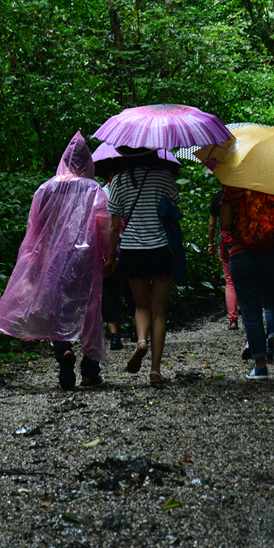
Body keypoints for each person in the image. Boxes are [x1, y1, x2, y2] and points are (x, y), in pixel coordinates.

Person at [0, 131, 110, 390]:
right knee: (90, 309)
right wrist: (110, 255)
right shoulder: (93, 189)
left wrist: (34, 260)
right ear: (88, 163)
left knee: (57, 309)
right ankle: (89, 370)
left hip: (53, 256)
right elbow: (103, 225)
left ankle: (62, 350)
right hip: (86, 257)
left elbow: (35, 229)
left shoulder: (46, 188)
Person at [104, 149, 179, 386]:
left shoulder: (118, 180)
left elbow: (115, 227)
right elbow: (174, 212)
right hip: (161, 249)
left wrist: (111, 256)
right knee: (159, 310)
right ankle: (155, 370)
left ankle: (141, 342)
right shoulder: (164, 176)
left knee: (141, 306)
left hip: (132, 251)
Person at [220, 187, 274, 380]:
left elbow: (224, 223)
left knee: (250, 311)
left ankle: (260, 367)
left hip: (242, 255)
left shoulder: (232, 187)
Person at [99, 161, 137, 350]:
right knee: (112, 293)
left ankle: (134, 329)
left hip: (124, 249)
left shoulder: (105, 194)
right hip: (114, 251)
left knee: (131, 292)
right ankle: (116, 334)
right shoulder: (104, 194)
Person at [208, 187, 239, 329]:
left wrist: (211, 243)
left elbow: (212, 224)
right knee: (244, 279)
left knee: (229, 281)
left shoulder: (217, 197)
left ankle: (232, 319)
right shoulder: (241, 194)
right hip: (239, 243)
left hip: (223, 243)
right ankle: (247, 311)